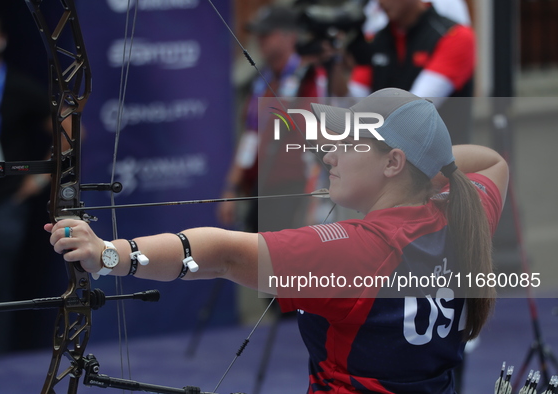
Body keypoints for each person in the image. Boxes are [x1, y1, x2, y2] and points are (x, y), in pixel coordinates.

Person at [46, 88, 508, 393]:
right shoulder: (462, 214)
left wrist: (108, 254)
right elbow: (492, 164)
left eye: (348, 143)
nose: (329, 153)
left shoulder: (358, 250)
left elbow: (222, 253)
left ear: (392, 163)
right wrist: (430, 171)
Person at [0, 8, 52, 357]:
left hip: (4, 203)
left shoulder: (19, 86)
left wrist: (41, 179)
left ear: (0, 41)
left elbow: (70, 133)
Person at [217, 5, 326, 232]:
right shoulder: (261, 82)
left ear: (289, 36)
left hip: (297, 189)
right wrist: (231, 187)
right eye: (258, 33)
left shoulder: (312, 75)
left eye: (266, 34)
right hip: (262, 187)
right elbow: (251, 135)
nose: (259, 39)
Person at [332, 0, 475, 144]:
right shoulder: (375, 40)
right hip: (387, 159)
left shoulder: (454, 36)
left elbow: (416, 110)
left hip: (443, 158)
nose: (379, 3)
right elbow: (352, 107)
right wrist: (334, 64)